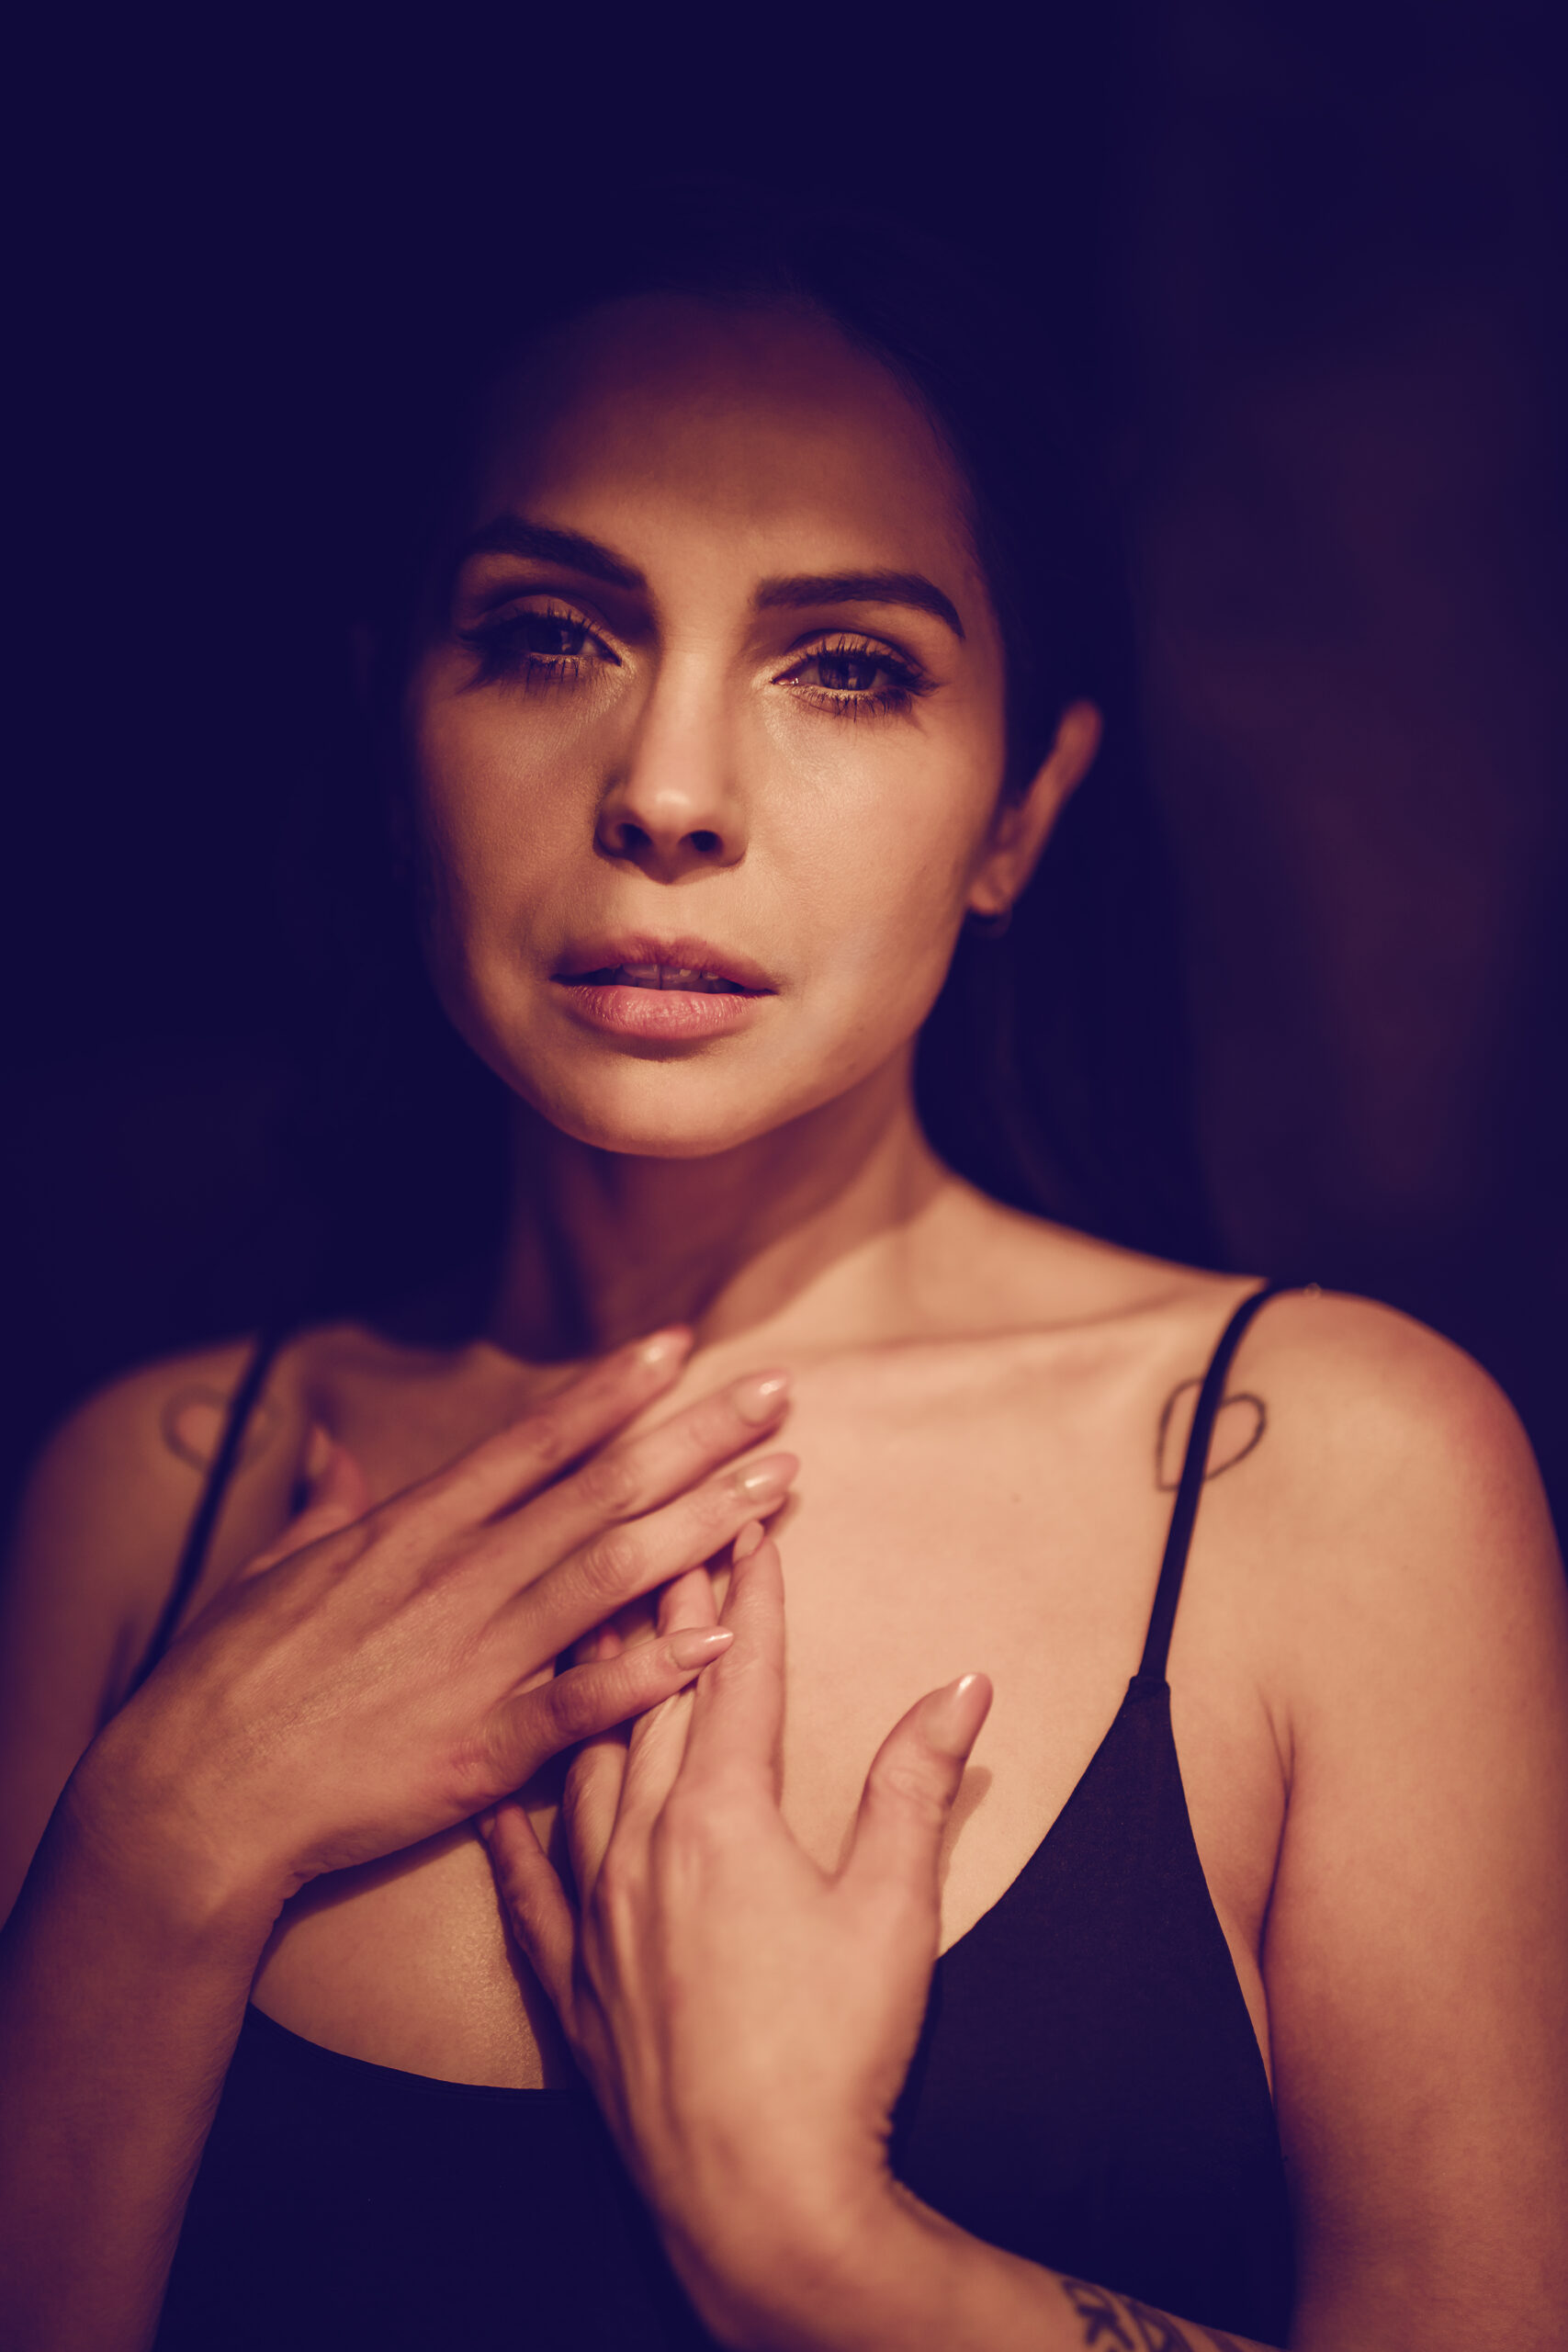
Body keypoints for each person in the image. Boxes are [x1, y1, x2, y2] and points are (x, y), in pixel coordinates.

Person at [2, 195, 1565, 2352]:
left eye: (846, 666)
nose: (666, 790)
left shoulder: (1338, 1473)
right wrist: (157, 1854)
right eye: (548, 634)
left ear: (1018, 812)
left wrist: (823, 2248)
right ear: (392, 732)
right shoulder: (151, 1489)